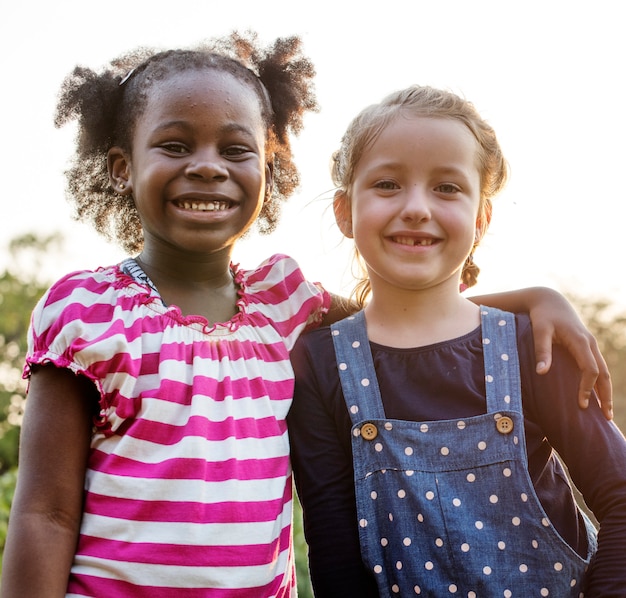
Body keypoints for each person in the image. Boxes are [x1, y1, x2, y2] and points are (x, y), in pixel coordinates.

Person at [0, 33, 612, 597]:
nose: (208, 165)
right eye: (175, 144)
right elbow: (44, 513)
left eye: (235, 148)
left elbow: (414, 316)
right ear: (121, 167)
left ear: (268, 168)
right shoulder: (88, 309)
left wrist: (532, 298)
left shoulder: (281, 304)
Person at [288, 85, 626, 597]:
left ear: (482, 217)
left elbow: (620, 499)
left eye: (447, 187)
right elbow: (334, 550)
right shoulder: (319, 363)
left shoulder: (533, 346)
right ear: (344, 211)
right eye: (387, 184)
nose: (417, 207)